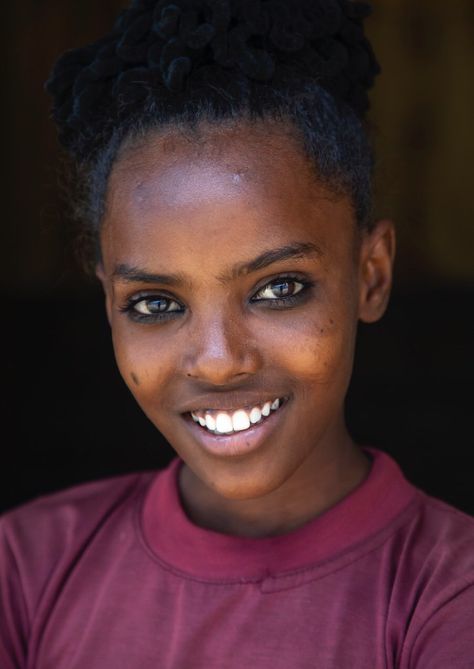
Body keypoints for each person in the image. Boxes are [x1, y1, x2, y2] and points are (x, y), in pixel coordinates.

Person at [1, 0, 473, 667]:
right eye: (157, 302)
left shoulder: (448, 595)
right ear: (108, 300)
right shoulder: (25, 571)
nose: (219, 361)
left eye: (279, 288)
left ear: (371, 274)